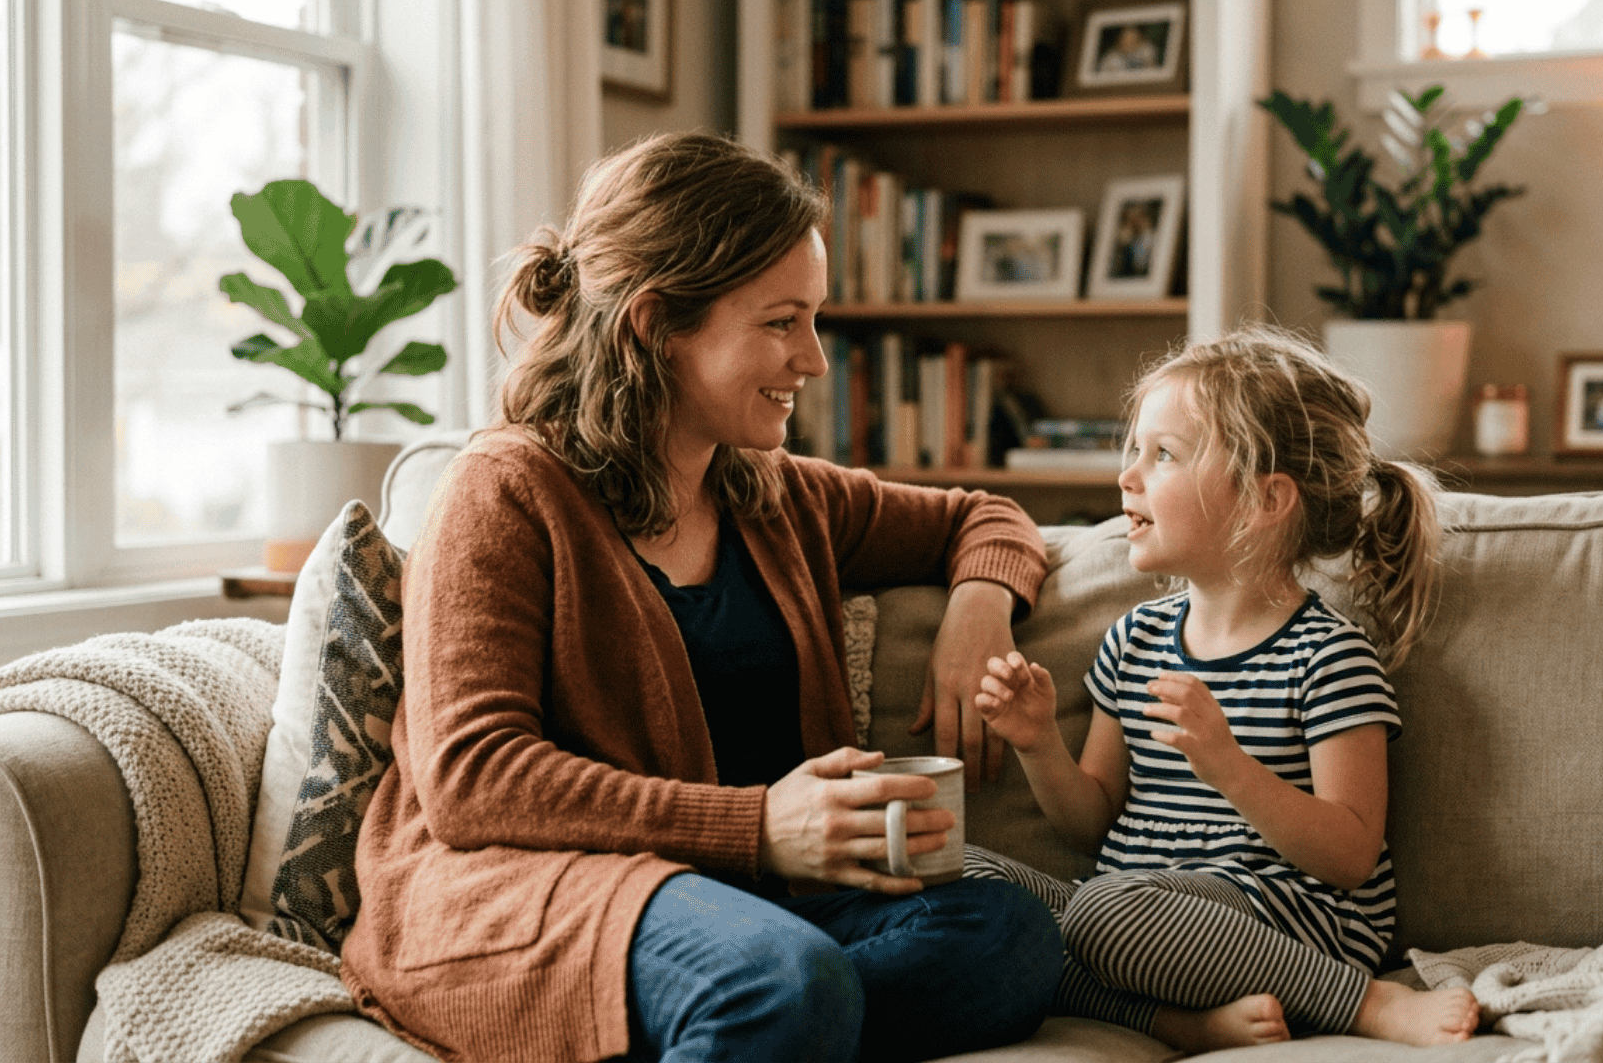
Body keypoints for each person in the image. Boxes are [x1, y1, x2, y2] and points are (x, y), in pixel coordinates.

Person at [339, 131, 1062, 1063]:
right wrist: (759, 826)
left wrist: (979, 611)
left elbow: (985, 517)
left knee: (1006, 936)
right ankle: (770, 1013)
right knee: (781, 983)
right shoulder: (505, 492)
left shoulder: (774, 492)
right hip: (537, 897)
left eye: (814, 320)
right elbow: (474, 781)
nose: (815, 361)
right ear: (654, 325)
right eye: (780, 322)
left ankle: (754, 1027)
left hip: (751, 909)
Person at [961, 327, 1482, 1055]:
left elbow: (1351, 855)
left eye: (1163, 455)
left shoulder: (1327, 657)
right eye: (1132, 450)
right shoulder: (1134, 641)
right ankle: (1171, 1023)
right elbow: (1091, 825)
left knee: (1104, 914)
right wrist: (1037, 743)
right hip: (1137, 911)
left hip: (1287, 920)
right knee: (959, 874)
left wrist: (1230, 768)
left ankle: (1365, 1006)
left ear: (1265, 500)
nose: (1128, 477)